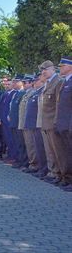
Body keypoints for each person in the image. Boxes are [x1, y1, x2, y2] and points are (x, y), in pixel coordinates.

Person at [38, 60, 63, 184]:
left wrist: (56, 121)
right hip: (45, 122)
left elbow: (58, 104)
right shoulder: (47, 83)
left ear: (53, 69)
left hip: (53, 122)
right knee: (49, 151)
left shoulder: (58, 81)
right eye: (42, 70)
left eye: (46, 69)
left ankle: (59, 174)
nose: (44, 72)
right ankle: (52, 172)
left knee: (57, 151)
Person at [54, 57, 72, 191]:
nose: (60, 68)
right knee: (65, 153)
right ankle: (67, 178)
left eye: (63, 66)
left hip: (69, 125)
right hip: (62, 124)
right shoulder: (64, 82)